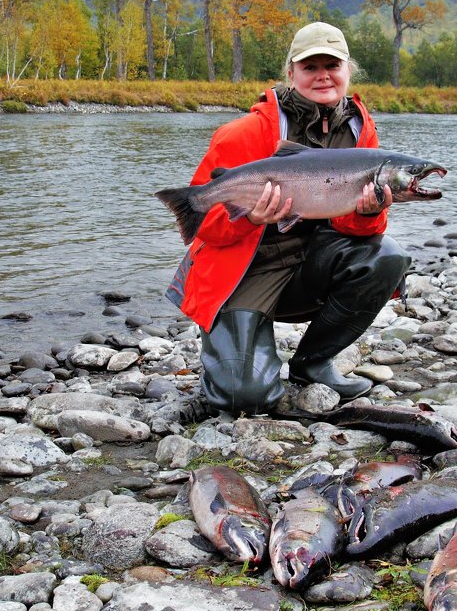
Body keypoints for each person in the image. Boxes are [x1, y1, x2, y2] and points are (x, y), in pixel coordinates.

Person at [165, 21, 411, 414]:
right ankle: (233, 361)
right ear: (291, 73)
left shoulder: (360, 130)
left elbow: (355, 231)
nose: (322, 76)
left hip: (309, 266)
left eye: (332, 65)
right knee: (243, 399)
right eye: (310, 67)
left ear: (348, 69)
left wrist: (370, 212)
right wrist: (249, 217)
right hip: (245, 272)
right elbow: (208, 229)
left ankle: (312, 365)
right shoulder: (244, 133)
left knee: (387, 258)